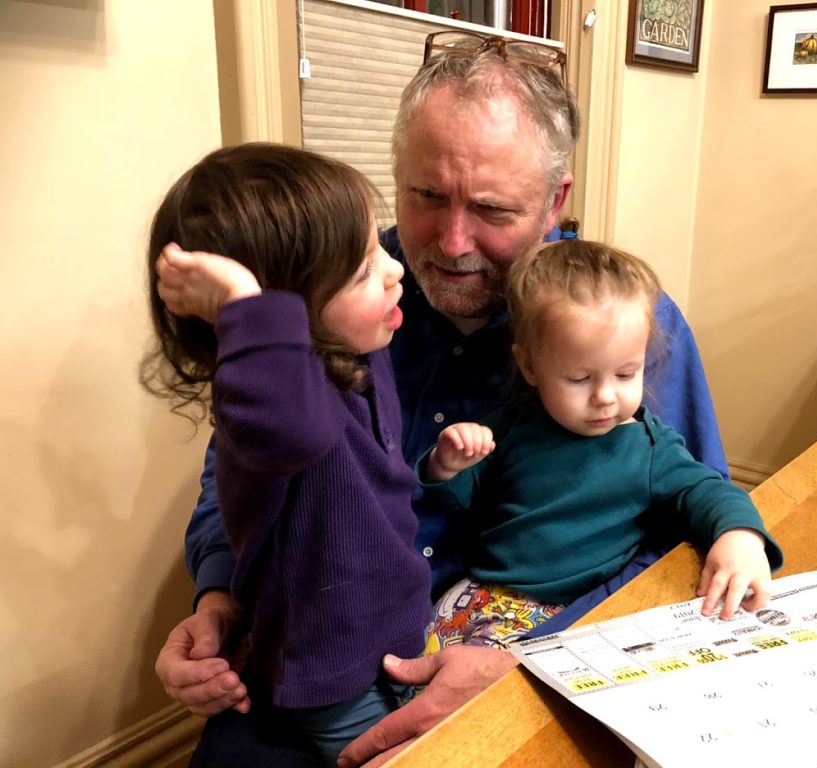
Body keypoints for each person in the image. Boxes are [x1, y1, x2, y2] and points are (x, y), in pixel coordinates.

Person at [155, 31, 732, 768]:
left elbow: (684, 545)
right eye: (427, 195)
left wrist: (529, 663)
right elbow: (236, 478)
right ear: (395, 174)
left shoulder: (625, 330)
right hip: (309, 659)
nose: (451, 241)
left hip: (540, 658)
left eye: (492, 209)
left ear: (555, 201)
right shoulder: (331, 295)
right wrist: (217, 601)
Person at [141, 143, 434, 765]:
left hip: (392, 632)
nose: (395, 270)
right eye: (361, 271)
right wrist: (243, 306)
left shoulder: (358, 349)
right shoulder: (272, 411)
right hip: (332, 673)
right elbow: (293, 427)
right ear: (280, 322)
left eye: (378, 251)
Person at [420, 239, 783, 651]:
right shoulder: (509, 427)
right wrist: (445, 464)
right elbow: (454, 502)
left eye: (627, 374)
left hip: (568, 615)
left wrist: (740, 537)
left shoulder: (648, 446)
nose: (605, 397)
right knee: (415, 675)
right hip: (480, 592)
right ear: (530, 366)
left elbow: (707, 491)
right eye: (579, 379)